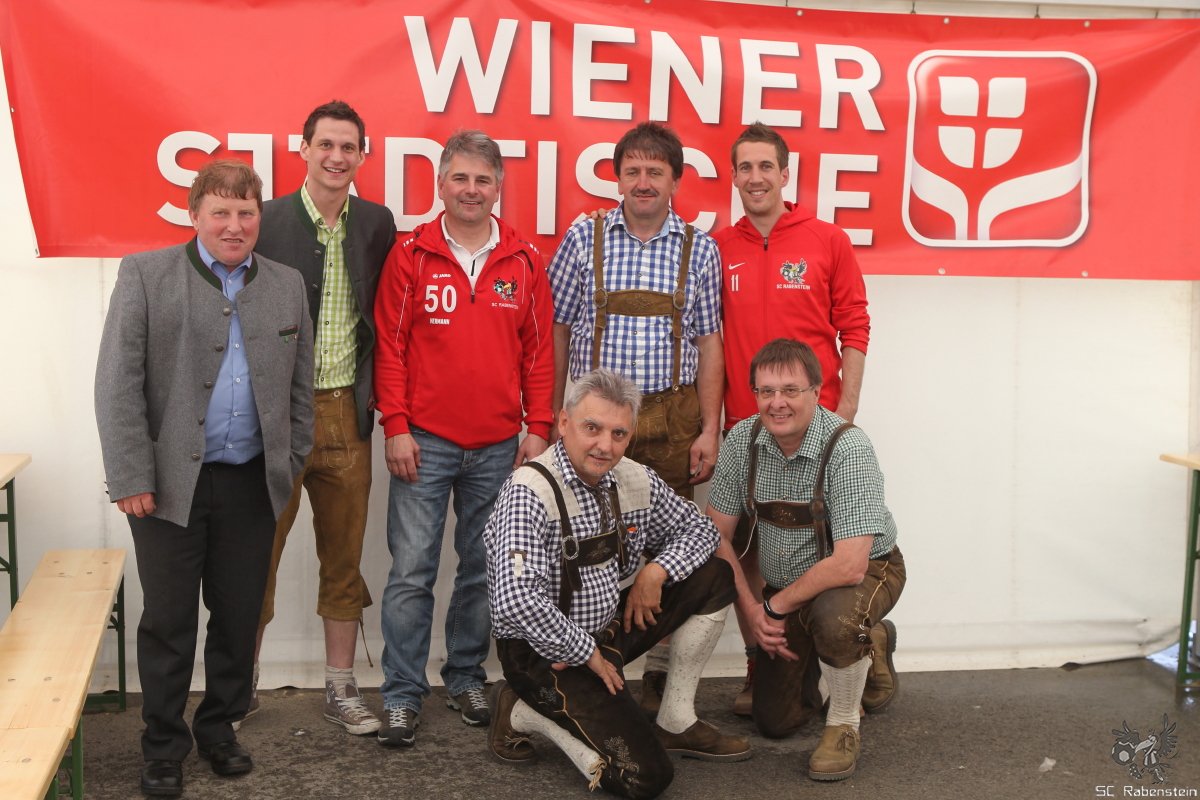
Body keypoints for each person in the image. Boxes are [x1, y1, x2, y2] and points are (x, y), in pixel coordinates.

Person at [95, 160, 313, 797]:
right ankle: (163, 746)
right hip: (166, 487)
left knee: (239, 616)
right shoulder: (145, 275)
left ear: (259, 218)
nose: (234, 225)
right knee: (168, 621)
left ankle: (219, 729)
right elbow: (117, 386)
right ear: (195, 216)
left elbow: (301, 389)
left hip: (251, 484)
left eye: (246, 212)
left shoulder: (286, 284)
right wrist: (131, 475)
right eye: (220, 212)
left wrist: (289, 462)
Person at [484, 369, 750, 799]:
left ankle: (676, 719)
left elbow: (702, 531)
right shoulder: (528, 491)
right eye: (592, 428)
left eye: (618, 433)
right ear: (564, 423)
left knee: (713, 576)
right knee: (646, 778)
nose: (605, 446)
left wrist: (657, 570)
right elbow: (516, 601)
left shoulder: (632, 477)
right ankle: (521, 710)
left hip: (607, 630)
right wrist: (585, 652)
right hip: (544, 654)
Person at [372, 129, 554, 747]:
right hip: (423, 442)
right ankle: (402, 694)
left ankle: (466, 676)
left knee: (482, 568)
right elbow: (390, 348)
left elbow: (539, 355)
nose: (471, 190)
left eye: (482, 180)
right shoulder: (411, 254)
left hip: (500, 446)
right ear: (440, 184)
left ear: (498, 187)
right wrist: (396, 426)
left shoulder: (525, 259)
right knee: (411, 571)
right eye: (460, 178)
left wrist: (539, 429)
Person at [548, 121, 724, 707]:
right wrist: (550, 415)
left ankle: (657, 674)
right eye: (633, 171)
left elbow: (709, 343)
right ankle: (584, 668)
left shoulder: (700, 249)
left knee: (668, 549)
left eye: (655, 171)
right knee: (588, 546)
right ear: (617, 178)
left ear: (676, 179)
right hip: (595, 426)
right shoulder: (584, 237)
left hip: (672, 423)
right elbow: (557, 329)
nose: (643, 182)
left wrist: (710, 428)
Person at [714, 123, 875, 716]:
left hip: (816, 428)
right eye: (745, 167)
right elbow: (708, 341)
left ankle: (860, 643)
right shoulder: (717, 247)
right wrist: (713, 424)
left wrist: (845, 409)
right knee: (751, 552)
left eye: (766, 166)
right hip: (747, 426)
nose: (756, 177)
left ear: (785, 174)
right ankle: (761, 661)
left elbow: (854, 325)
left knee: (824, 542)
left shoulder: (827, 239)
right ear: (734, 177)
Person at [249, 100, 396, 736]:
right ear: (303, 148)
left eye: (348, 147)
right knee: (256, 554)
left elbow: (385, 316)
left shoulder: (376, 223)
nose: (337, 157)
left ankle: (340, 685)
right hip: (275, 415)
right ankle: (240, 685)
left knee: (344, 556)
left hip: (346, 414)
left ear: (362, 155)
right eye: (326, 145)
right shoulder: (268, 220)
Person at [706, 338, 904, 781]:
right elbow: (716, 535)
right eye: (766, 391)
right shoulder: (741, 442)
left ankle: (844, 723)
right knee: (775, 721)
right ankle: (858, 646)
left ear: (816, 391)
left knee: (836, 618)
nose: (777, 403)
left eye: (790, 390)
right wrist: (752, 609)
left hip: (866, 572)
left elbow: (850, 564)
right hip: (790, 589)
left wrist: (774, 607)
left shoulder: (848, 448)